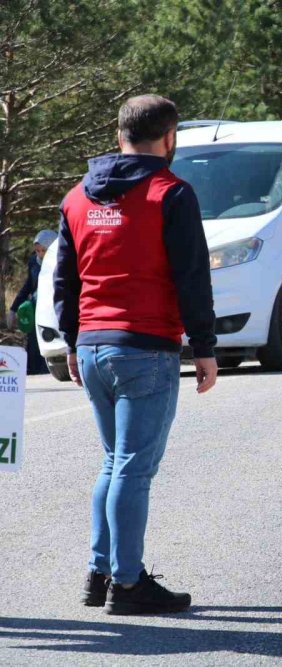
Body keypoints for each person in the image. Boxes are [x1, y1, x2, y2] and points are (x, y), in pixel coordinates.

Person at [53, 94, 218, 615]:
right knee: (131, 468)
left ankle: (100, 572)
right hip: (145, 347)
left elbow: (64, 280)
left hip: (95, 344)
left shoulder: (77, 197)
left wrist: (72, 340)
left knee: (114, 462)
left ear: (119, 132)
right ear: (168, 137)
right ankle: (127, 584)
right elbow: (193, 276)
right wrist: (206, 347)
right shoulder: (171, 192)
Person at [8, 229, 58, 374]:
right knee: (34, 341)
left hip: (56, 309)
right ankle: (35, 371)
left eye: (44, 250)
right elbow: (28, 286)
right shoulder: (34, 262)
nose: (41, 254)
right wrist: (13, 309)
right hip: (37, 308)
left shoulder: (63, 262)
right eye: (38, 251)